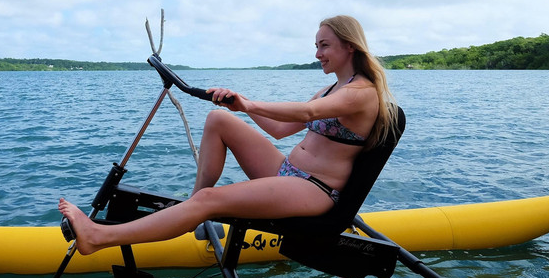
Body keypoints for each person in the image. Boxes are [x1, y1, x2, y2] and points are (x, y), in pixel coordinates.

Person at [59, 15, 399, 255]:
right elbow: (281, 131)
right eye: (316, 45)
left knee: (211, 202)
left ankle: (99, 238)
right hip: (287, 173)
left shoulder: (363, 92)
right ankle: (193, 207)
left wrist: (252, 102)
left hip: (316, 190)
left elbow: (306, 113)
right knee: (218, 119)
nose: (317, 53)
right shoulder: (330, 88)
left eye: (324, 45)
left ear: (349, 46)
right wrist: (242, 107)